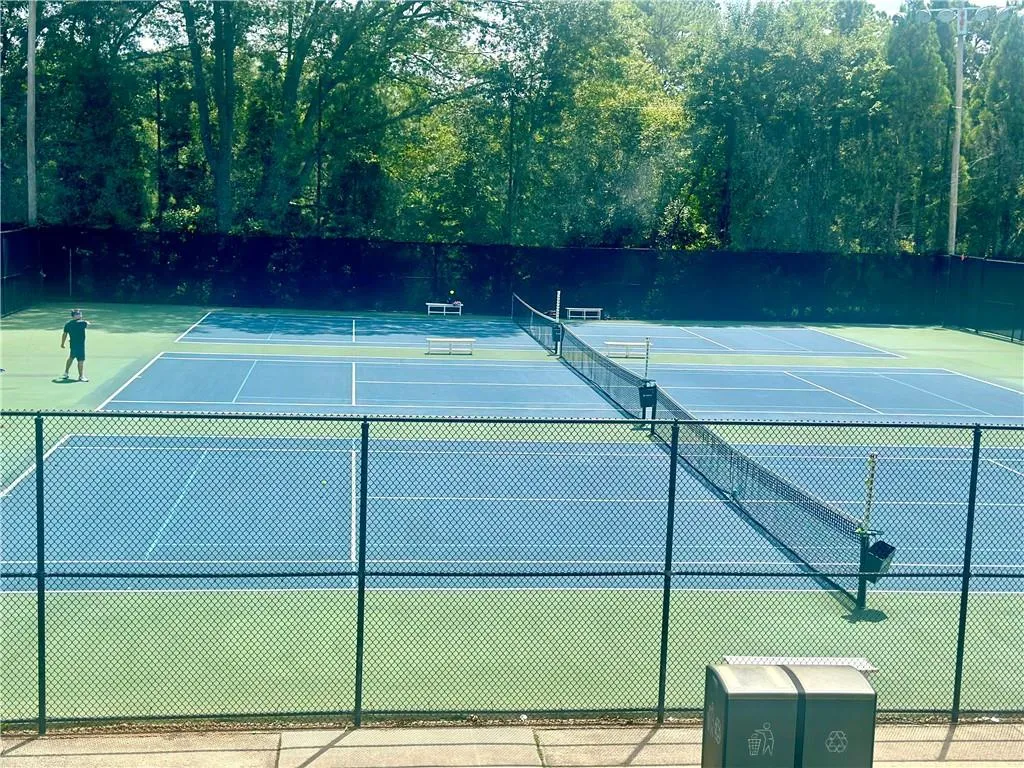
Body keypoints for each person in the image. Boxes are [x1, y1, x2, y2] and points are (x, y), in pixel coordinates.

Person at [61, 309, 89, 382]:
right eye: (78, 314)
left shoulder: (68, 324)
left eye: (80, 314)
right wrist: (62, 343)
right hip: (79, 345)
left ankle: (66, 372)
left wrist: (62, 343)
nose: (79, 315)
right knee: (81, 360)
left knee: (71, 357)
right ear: (73, 316)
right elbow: (87, 323)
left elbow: (65, 334)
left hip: (73, 344)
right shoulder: (82, 323)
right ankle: (81, 376)